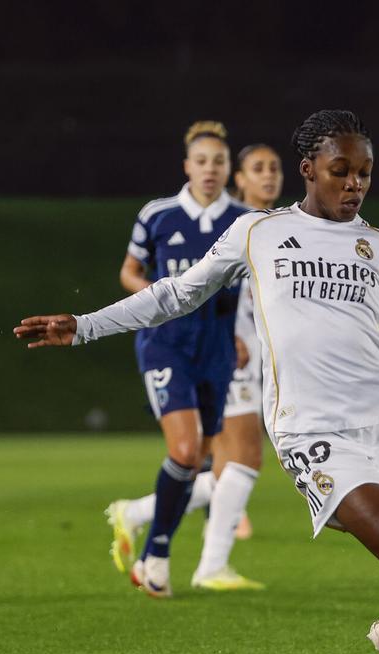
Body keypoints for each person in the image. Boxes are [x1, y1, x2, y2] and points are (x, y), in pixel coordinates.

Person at [16, 110, 379, 654]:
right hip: (314, 430)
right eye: (341, 171)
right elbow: (175, 293)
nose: (355, 184)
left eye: (365, 174)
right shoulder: (258, 232)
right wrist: (83, 326)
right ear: (308, 170)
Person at [107, 144, 284, 579]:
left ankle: (143, 518)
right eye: (258, 168)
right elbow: (131, 270)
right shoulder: (165, 215)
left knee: (211, 457)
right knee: (232, 455)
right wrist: (157, 303)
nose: (269, 177)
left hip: (227, 348)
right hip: (191, 345)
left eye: (274, 168)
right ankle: (205, 562)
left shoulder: (258, 224)